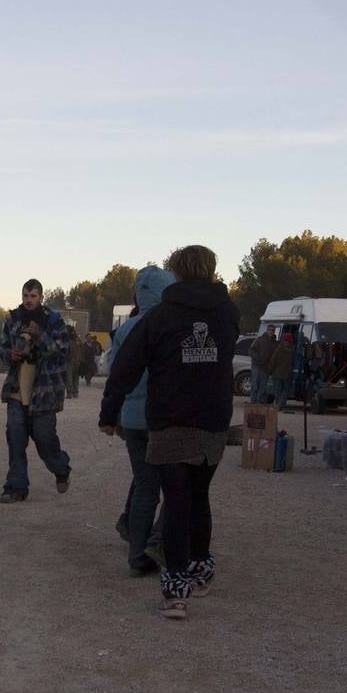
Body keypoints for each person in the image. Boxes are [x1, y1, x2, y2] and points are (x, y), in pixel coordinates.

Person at [99, 245, 239, 620]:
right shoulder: (229, 312)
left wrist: (108, 412)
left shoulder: (161, 316)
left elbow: (125, 367)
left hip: (170, 419)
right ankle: (200, 568)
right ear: (211, 269)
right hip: (212, 419)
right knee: (198, 497)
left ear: (176, 273)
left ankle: (176, 590)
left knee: (176, 503)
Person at [105, 266, 175, 576]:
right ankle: (157, 543)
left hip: (133, 419)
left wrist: (115, 414)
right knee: (175, 487)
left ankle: (136, 556)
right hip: (164, 419)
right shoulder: (172, 327)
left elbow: (114, 373)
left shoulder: (124, 330)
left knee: (146, 486)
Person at [0, 279, 73, 503]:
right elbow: (0, 348)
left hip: (44, 393)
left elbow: (61, 352)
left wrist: (40, 335)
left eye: (33, 296)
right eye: (26, 296)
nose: (29, 300)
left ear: (41, 297)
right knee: (15, 438)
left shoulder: (53, 321)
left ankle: (61, 468)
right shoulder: (13, 320)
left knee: (44, 439)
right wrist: (9, 354)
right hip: (16, 391)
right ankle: (16, 486)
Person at [248, 324, 277, 403]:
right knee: (255, 385)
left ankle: (258, 402)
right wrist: (257, 358)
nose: (271, 331)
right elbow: (251, 350)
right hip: (256, 366)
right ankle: (253, 402)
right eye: (270, 330)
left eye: (273, 330)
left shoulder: (274, 343)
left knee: (263, 387)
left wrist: (271, 366)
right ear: (267, 330)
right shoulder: (259, 340)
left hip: (266, 368)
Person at [268, 331, 297, 410]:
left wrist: (269, 370)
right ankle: (281, 404)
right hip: (287, 373)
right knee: (286, 390)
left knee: (277, 390)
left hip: (277, 373)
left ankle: (278, 404)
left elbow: (273, 360)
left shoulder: (279, 349)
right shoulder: (293, 350)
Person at [65, 326, 84, 398]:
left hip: (70, 361)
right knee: (76, 377)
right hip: (77, 361)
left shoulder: (67, 340)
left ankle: (70, 393)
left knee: (69, 377)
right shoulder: (77, 340)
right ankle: (75, 393)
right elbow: (82, 348)